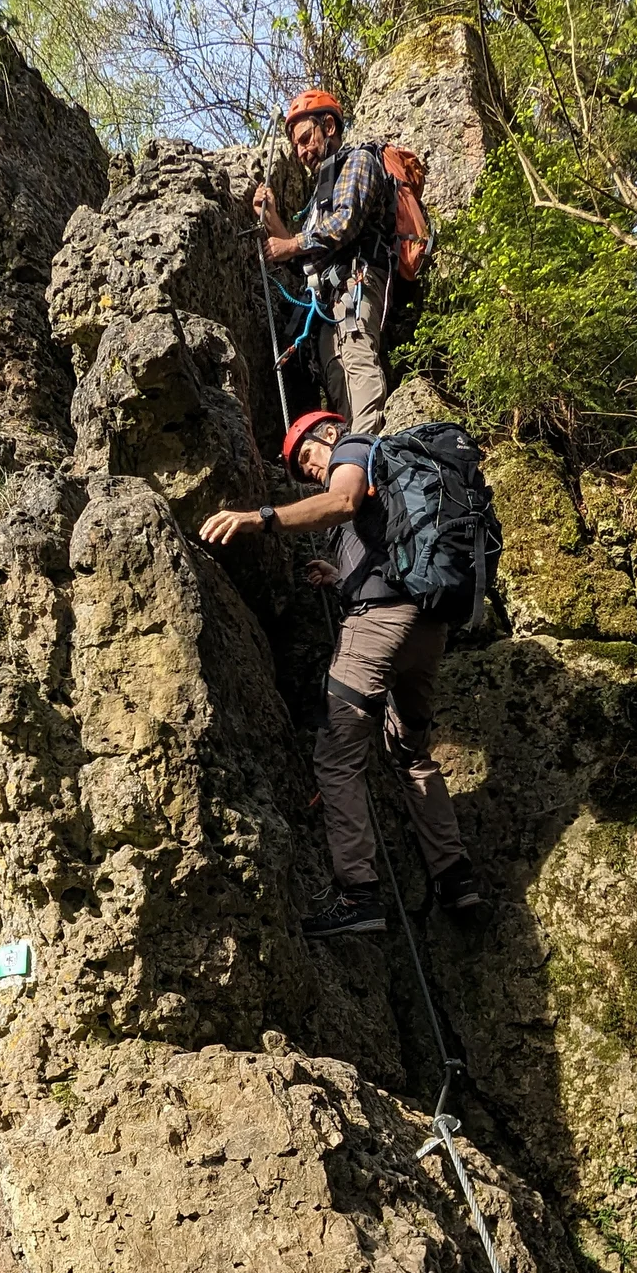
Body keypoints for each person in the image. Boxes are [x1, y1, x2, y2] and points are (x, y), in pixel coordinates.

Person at [200, 408, 485, 941]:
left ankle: (359, 894)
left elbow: (343, 501)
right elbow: (383, 541)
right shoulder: (394, 471)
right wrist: (342, 577)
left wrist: (262, 516)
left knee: (337, 755)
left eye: (307, 455)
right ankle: (455, 876)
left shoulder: (353, 450)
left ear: (327, 433)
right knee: (411, 754)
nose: (309, 469)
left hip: (378, 626)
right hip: (426, 628)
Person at [254, 89, 396, 437]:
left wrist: (290, 243)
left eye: (306, 138)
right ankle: (350, 451)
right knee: (335, 371)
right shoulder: (322, 192)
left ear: (328, 125)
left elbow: (344, 224)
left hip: (358, 282)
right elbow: (303, 258)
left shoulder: (359, 161)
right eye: (297, 146)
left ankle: (367, 450)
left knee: (357, 357)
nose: (303, 152)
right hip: (329, 299)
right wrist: (273, 220)